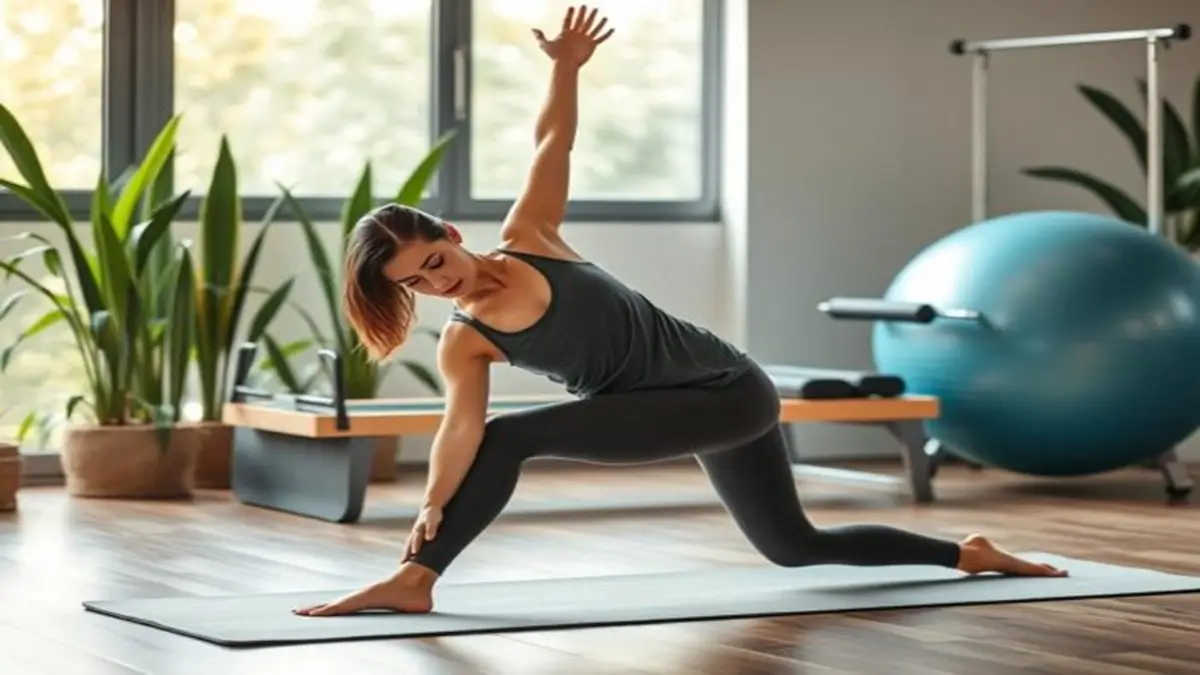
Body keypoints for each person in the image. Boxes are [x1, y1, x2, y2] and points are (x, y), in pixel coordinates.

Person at [293, 5, 1066, 618]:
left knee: (513, 437)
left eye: (435, 261)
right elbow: (457, 428)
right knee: (794, 546)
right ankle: (966, 552)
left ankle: (414, 580)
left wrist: (565, 68)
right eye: (417, 285)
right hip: (665, 406)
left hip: (732, 391)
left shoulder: (532, 238)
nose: (437, 283)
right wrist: (434, 498)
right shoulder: (466, 343)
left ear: (452, 235)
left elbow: (552, 143)